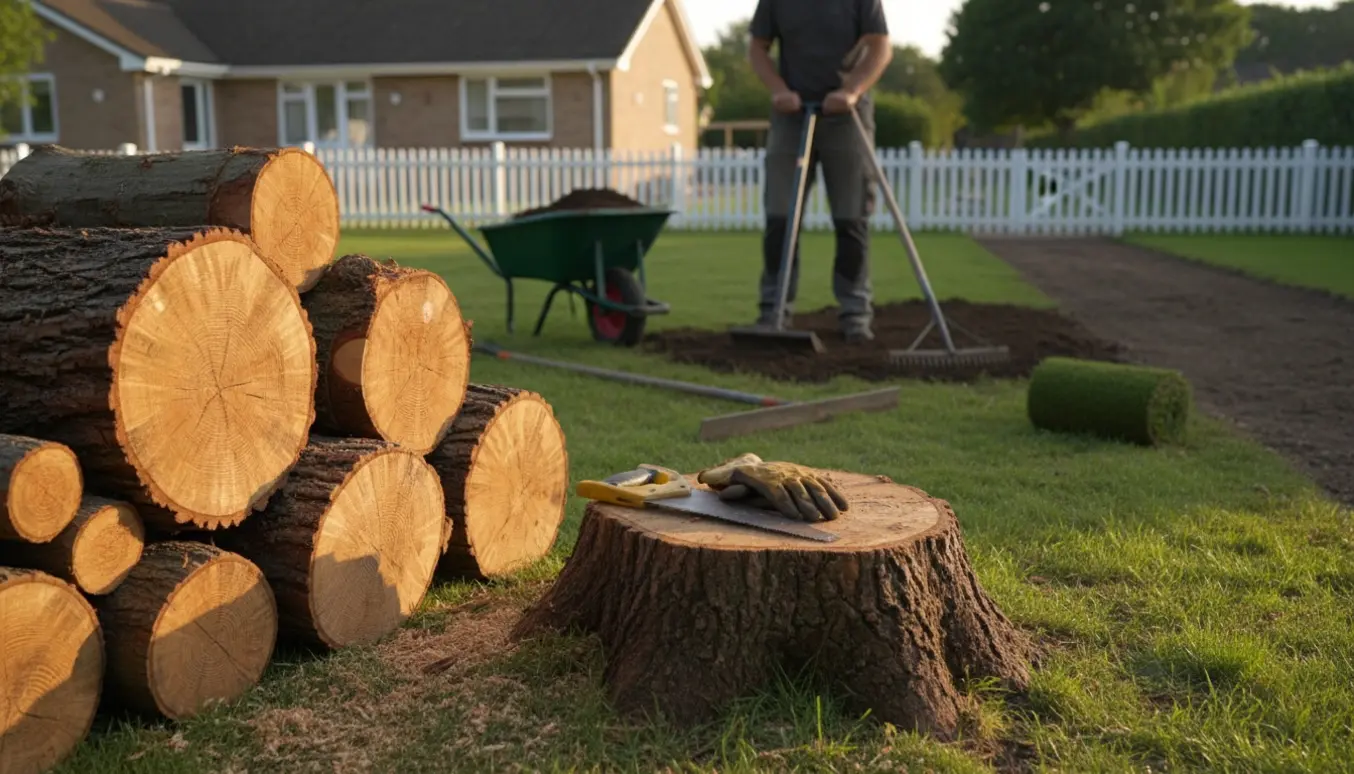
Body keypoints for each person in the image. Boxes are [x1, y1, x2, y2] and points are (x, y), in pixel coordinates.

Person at [747, 0, 893, 342]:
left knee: (851, 214)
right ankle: (774, 309)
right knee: (780, 215)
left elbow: (880, 46)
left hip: (846, 116)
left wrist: (852, 91)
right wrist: (778, 91)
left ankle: (855, 312)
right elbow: (757, 48)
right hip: (791, 115)